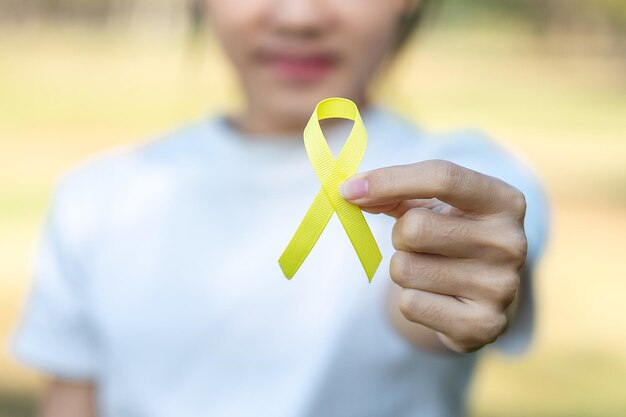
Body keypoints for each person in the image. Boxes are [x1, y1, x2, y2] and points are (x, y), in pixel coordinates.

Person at [13, 1, 548, 416]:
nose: (298, 16)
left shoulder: (465, 178)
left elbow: (437, 304)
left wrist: (456, 287)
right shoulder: (97, 197)